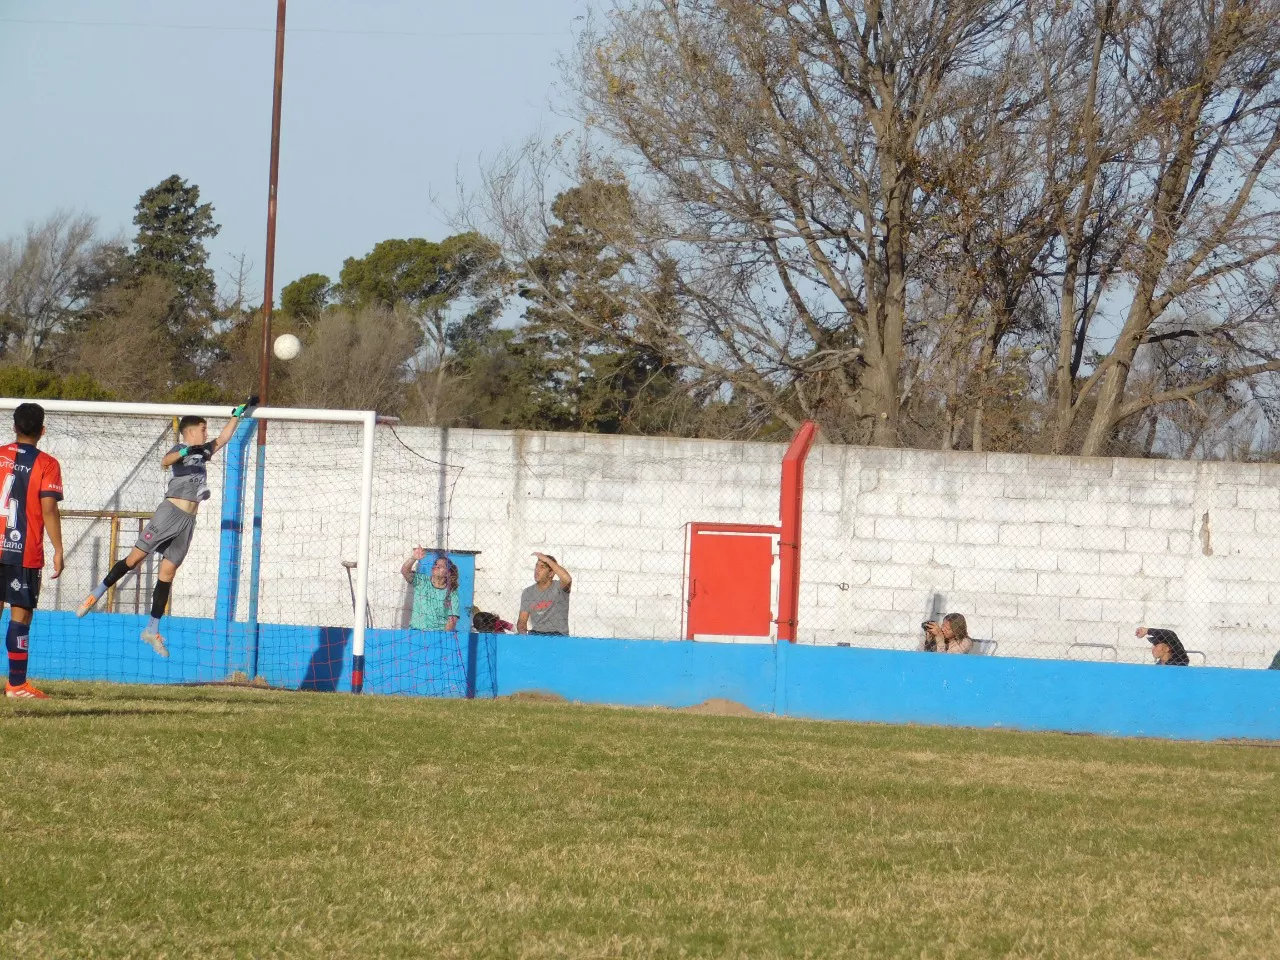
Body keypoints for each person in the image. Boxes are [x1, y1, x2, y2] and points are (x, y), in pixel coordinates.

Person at [76, 397, 257, 656]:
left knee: (168, 573)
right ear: (190, 431)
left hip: (188, 521)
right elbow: (165, 461)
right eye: (203, 429)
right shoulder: (181, 449)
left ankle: (152, 629)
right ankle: (96, 593)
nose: (207, 433)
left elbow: (224, 438)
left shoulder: (204, 451)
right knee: (135, 559)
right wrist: (185, 452)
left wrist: (237, 415)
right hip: (169, 514)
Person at [0, 403, 65, 699]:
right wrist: (58, 549)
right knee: (21, 616)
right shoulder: (47, 463)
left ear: (14, 427)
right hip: (22, 551)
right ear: (43, 430)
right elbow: (48, 509)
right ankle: (16, 685)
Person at [400, 548, 459, 631]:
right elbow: (404, 571)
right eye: (435, 564)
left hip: (438, 633)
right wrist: (413, 558)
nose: (436, 566)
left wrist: (442, 636)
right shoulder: (422, 581)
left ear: (448, 573)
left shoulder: (451, 592)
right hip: (417, 631)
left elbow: (452, 619)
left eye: (441, 566)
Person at [518, 552, 572, 636]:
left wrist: (547, 560)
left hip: (558, 635)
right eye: (536, 566)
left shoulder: (559, 587)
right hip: (536, 635)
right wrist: (525, 640)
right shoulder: (528, 592)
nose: (537, 570)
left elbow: (567, 579)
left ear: (551, 573)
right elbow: (522, 623)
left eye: (542, 567)